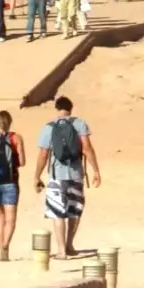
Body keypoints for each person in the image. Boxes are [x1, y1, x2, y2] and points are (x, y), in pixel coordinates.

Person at [34, 96, 100, 258]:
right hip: (76, 174)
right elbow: (87, 149)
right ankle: (70, 244)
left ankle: (61, 250)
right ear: (71, 108)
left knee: (58, 212)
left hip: (56, 176)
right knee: (75, 210)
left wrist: (36, 176)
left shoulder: (48, 127)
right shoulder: (79, 124)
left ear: (57, 109)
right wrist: (96, 170)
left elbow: (43, 154)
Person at [0, 108, 26, 260]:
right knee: (11, 218)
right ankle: (5, 246)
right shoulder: (16, 138)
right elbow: (22, 162)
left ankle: (0, 247)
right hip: (10, 181)